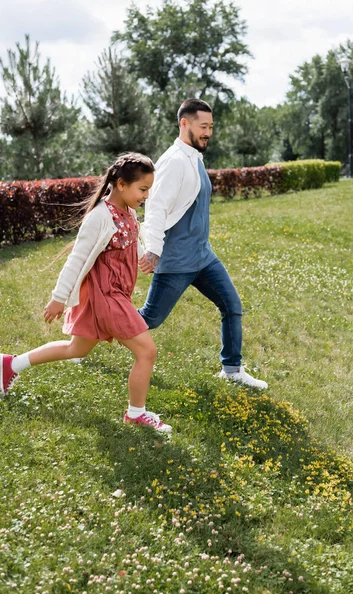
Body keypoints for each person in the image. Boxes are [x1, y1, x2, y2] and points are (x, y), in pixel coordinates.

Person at [0, 153, 172, 433]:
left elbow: (129, 240)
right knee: (146, 351)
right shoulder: (100, 217)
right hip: (106, 296)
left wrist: (141, 257)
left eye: (149, 189)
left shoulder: (128, 211)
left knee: (75, 348)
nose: (147, 195)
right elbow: (77, 260)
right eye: (143, 189)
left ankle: (12, 364)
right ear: (121, 184)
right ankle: (136, 413)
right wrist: (58, 298)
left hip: (110, 296)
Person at [138, 99, 268, 389]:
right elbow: (156, 206)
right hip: (177, 260)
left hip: (202, 256)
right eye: (203, 126)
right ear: (184, 124)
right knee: (148, 320)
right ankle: (86, 333)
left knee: (231, 304)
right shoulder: (173, 161)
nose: (208, 132)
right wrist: (154, 249)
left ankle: (232, 370)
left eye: (211, 126)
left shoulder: (194, 156)